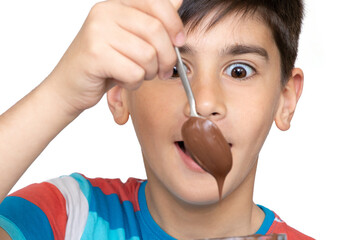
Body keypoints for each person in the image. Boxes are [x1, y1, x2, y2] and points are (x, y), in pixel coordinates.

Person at [0, 0, 314, 239]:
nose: (204, 103)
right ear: (119, 90)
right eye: (176, 70)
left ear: (285, 99)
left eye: (239, 71)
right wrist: (60, 95)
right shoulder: (68, 217)